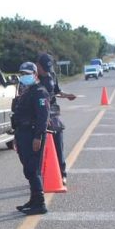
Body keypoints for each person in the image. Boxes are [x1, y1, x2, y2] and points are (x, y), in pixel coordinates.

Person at [11, 62, 50, 215]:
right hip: (23, 133)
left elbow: (43, 117)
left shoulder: (40, 92)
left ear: (35, 74)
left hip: (33, 134)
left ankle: (40, 203)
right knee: (28, 169)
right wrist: (16, 137)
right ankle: (34, 199)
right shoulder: (28, 91)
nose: (24, 76)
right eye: (22, 74)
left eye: (27, 73)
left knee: (33, 169)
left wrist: (38, 136)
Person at [36, 53, 76, 184]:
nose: (47, 72)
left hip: (53, 114)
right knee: (40, 149)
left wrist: (67, 95)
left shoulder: (52, 75)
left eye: (49, 69)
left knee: (58, 144)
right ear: (38, 66)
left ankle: (62, 174)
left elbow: (57, 91)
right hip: (38, 115)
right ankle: (40, 176)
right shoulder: (33, 78)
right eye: (44, 69)